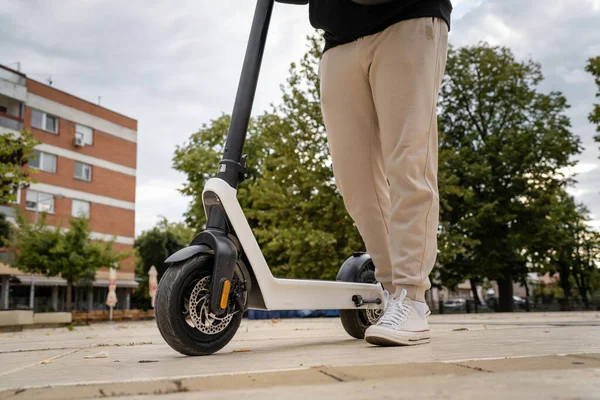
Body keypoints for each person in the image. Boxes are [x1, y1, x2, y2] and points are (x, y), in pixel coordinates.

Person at [278, 0, 452, 346]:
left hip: (407, 16)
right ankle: (392, 294)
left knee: (408, 162)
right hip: (339, 38)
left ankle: (411, 298)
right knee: (354, 179)